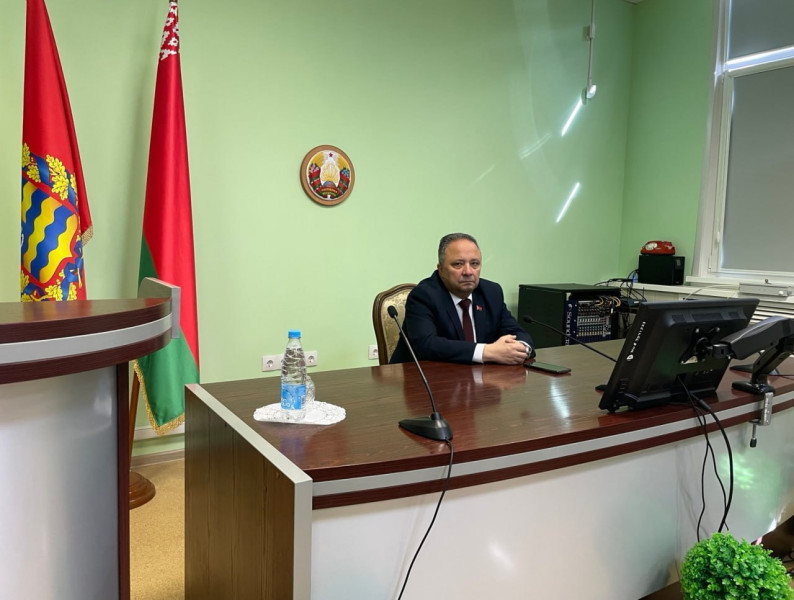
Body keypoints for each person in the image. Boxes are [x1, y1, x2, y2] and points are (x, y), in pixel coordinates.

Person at [390, 233, 535, 365]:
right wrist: (487, 352)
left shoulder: (491, 292)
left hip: (480, 378)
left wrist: (520, 348)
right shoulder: (424, 295)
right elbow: (427, 345)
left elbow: (517, 333)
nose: (468, 272)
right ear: (441, 269)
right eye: (458, 264)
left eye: (474, 264)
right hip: (424, 378)